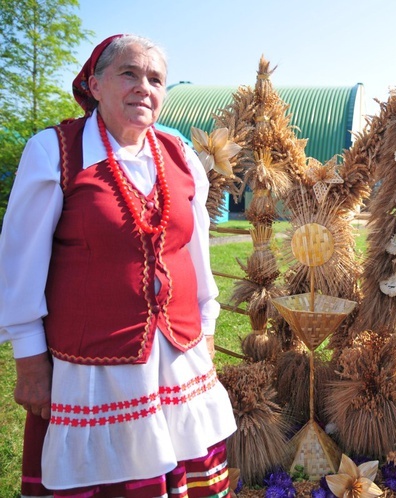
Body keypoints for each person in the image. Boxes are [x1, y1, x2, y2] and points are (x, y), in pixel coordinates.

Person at [0, 34, 236, 496]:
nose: (143, 87)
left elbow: (196, 253)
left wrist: (206, 330)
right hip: (95, 369)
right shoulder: (55, 151)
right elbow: (19, 264)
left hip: (178, 356)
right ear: (95, 83)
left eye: (155, 79)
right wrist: (30, 364)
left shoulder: (182, 157)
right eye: (128, 73)